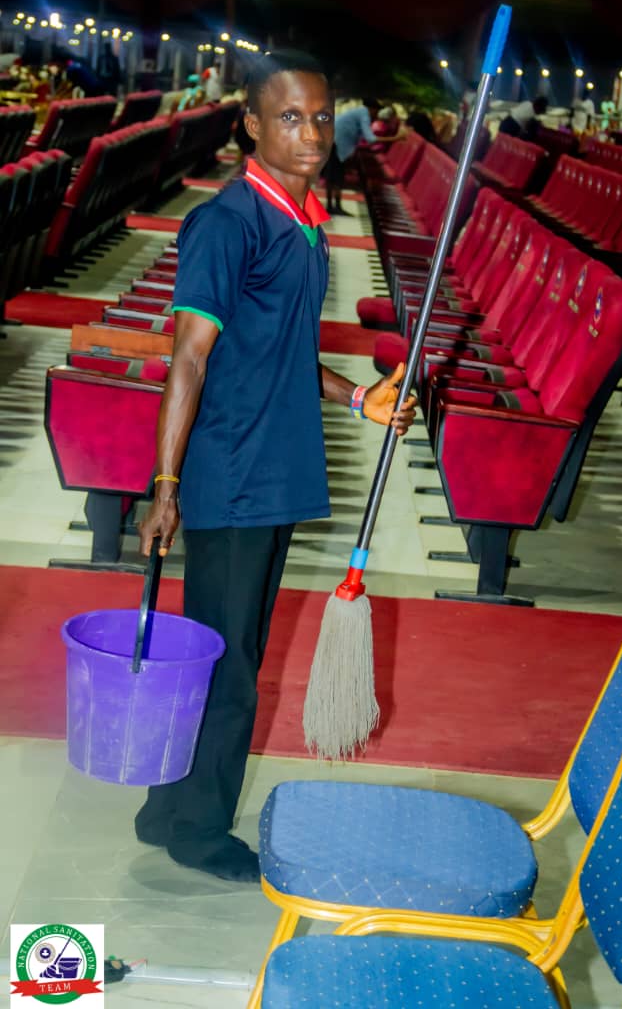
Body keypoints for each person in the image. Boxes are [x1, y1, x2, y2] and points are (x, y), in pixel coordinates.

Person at [134, 49, 417, 882]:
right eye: (290, 117)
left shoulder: (303, 220)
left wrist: (357, 397)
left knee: (217, 651)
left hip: (273, 460)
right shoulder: (230, 223)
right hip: (233, 470)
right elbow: (189, 357)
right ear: (252, 125)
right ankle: (198, 832)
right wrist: (166, 486)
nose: (312, 134)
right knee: (230, 664)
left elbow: (279, 350)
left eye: (322, 116)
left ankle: (165, 809)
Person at [325, 97, 403, 215]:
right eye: (376, 110)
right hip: (335, 144)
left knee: (333, 176)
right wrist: (396, 138)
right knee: (336, 177)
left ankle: (332, 205)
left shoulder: (359, 112)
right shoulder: (364, 115)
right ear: (372, 109)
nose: (376, 113)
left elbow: (360, 136)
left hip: (332, 141)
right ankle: (334, 206)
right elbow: (370, 138)